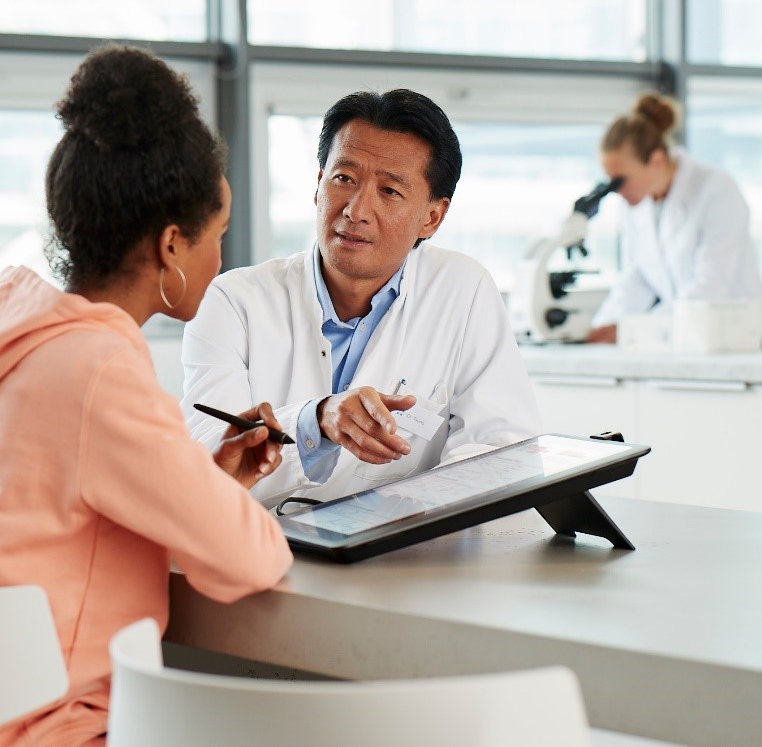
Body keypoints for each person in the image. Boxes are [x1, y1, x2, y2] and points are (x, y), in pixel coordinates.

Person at [0, 46, 293, 746]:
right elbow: (251, 560)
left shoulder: (22, 327)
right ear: (170, 246)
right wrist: (217, 499)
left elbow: (59, 508)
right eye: (217, 236)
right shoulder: (99, 372)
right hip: (62, 727)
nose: (222, 261)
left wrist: (201, 480)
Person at [181, 89, 541, 510]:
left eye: (389, 191)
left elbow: (500, 448)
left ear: (432, 217)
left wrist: (405, 516)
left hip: (409, 556)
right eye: (344, 179)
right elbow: (208, 459)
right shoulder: (232, 303)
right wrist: (316, 420)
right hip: (265, 552)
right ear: (318, 185)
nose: (356, 210)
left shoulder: (464, 290)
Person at [587, 92, 762, 343]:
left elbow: (710, 286)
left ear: (656, 161)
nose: (617, 192)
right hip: (682, 339)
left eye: (621, 181)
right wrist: (600, 329)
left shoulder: (716, 189)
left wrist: (637, 330)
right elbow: (635, 281)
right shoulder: (636, 205)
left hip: (733, 339)